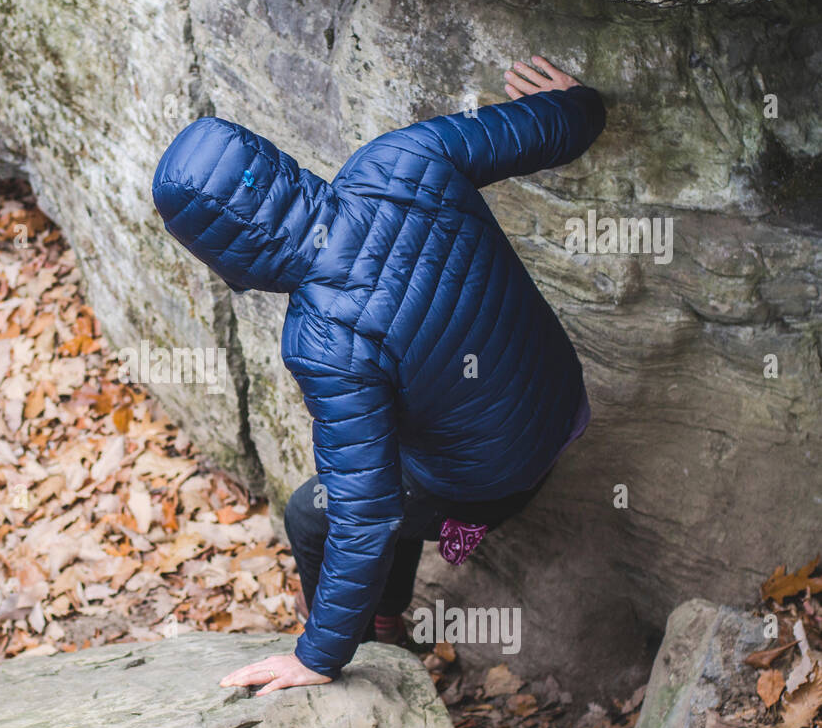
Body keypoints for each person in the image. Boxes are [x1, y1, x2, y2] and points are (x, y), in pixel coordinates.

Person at [150, 57, 605, 694]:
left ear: (224, 256)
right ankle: (388, 613)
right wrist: (577, 104)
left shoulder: (323, 340)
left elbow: (363, 516)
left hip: (498, 482)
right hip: (562, 401)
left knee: (315, 515)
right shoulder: (396, 158)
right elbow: (554, 128)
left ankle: (370, 642)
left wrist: (318, 657)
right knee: (391, 464)